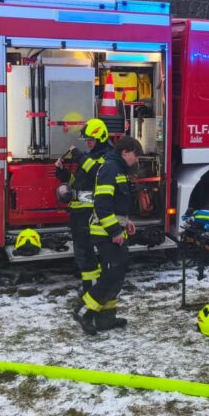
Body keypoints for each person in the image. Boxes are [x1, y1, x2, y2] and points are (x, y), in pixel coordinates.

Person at [73, 135, 142, 335]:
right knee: (113, 273)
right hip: (105, 232)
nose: (136, 160)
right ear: (125, 152)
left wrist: (125, 222)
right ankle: (84, 311)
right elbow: (102, 205)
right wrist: (114, 231)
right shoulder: (111, 169)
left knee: (115, 273)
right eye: (136, 155)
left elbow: (115, 203)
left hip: (111, 230)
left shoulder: (117, 168)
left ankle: (106, 318)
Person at [56, 118, 112, 295]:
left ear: (101, 138)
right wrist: (62, 173)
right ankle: (89, 287)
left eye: (91, 140)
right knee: (83, 254)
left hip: (91, 213)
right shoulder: (91, 156)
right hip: (79, 212)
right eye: (87, 140)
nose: (88, 143)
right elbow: (78, 182)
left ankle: (93, 289)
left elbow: (97, 173)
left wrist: (80, 156)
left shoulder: (108, 157)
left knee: (88, 253)